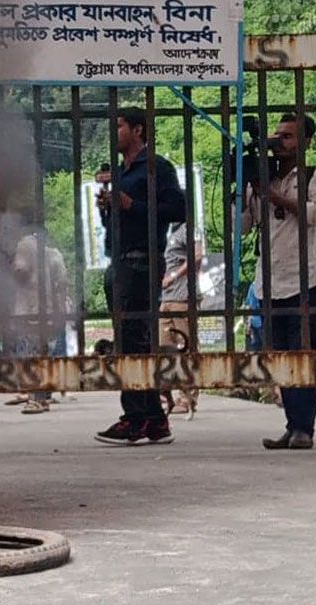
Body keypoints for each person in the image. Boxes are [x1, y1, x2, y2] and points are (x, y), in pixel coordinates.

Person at [94, 107, 187, 446]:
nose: (113, 131)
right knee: (131, 341)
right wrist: (108, 206)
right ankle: (154, 419)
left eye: (118, 125)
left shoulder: (156, 168)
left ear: (138, 130)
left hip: (142, 262)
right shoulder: (121, 172)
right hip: (119, 260)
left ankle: (135, 418)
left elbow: (179, 209)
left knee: (135, 340)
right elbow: (117, 220)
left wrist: (131, 204)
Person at [243, 113, 316, 450]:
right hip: (270, 281)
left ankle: (304, 429)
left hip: (308, 279)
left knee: (303, 356)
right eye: (277, 136)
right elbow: (242, 226)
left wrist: (277, 198)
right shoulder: (262, 176)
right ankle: (292, 425)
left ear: (306, 142)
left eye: (288, 137)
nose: (279, 143)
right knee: (281, 357)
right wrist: (245, 189)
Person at [9, 231, 68, 415]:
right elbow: (62, 284)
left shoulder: (25, 246)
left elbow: (20, 270)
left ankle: (36, 398)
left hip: (29, 311)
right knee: (44, 353)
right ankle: (42, 393)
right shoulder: (55, 255)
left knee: (31, 355)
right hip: (49, 312)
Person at [158, 222, 202, 416]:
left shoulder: (189, 228)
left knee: (187, 347)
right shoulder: (168, 230)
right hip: (166, 297)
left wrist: (174, 276)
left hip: (182, 297)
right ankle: (167, 395)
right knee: (164, 347)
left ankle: (188, 397)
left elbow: (198, 255)